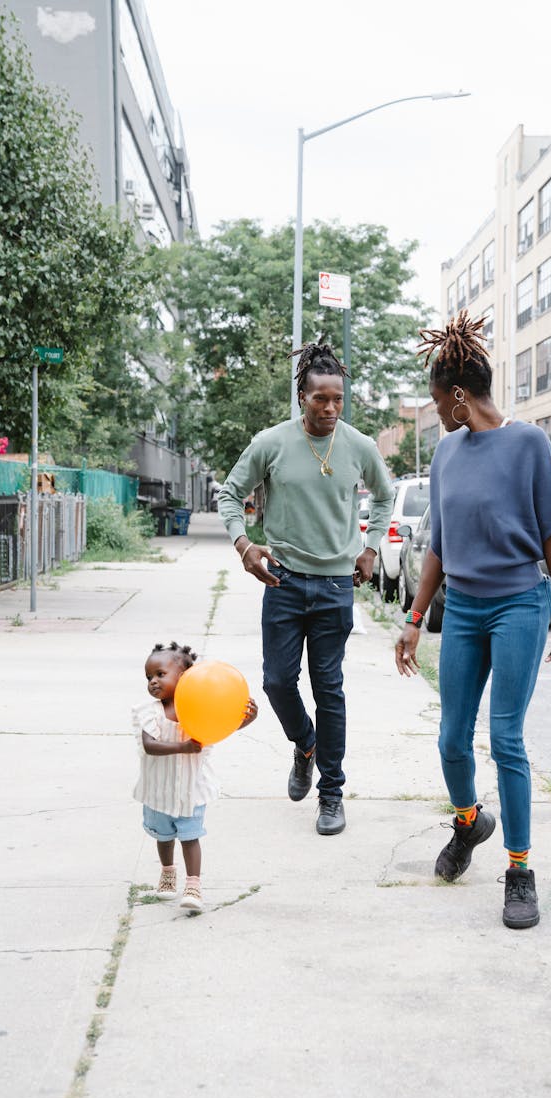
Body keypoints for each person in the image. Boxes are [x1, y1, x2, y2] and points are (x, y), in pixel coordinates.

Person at [395, 311, 551, 929]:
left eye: (436, 401)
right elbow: (438, 546)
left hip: (519, 605)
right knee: (451, 738)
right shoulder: (447, 452)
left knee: (505, 740)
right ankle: (471, 822)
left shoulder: (529, 444)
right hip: (465, 608)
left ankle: (520, 870)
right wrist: (414, 617)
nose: (436, 413)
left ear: (457, 395)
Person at [217, 342, 394, 836]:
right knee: (276, 681)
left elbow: (384, 497)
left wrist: (371, 547)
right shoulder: (271, 443)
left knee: (329, 689)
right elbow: (229, 494)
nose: (331, 408)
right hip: (285, 580)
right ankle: (306, 744)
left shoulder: (359, 446)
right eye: (321, 399)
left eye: (338, 398)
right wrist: (244, 546)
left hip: (337, 583)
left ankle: (332, 794)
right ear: (302, 396)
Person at [132, 641, 258, 911]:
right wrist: (183, 746)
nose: (153, 681)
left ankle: (193, 885)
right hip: (159, 791)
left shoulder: (201, 706)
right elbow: (149, 746)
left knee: (190, 837)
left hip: (191, 791)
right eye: (149, 677)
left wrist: (241, 720)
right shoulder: (149, 713)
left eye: (160, 674)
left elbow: (218, 726)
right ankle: (167, 872)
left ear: (185, 677)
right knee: (163, 837)